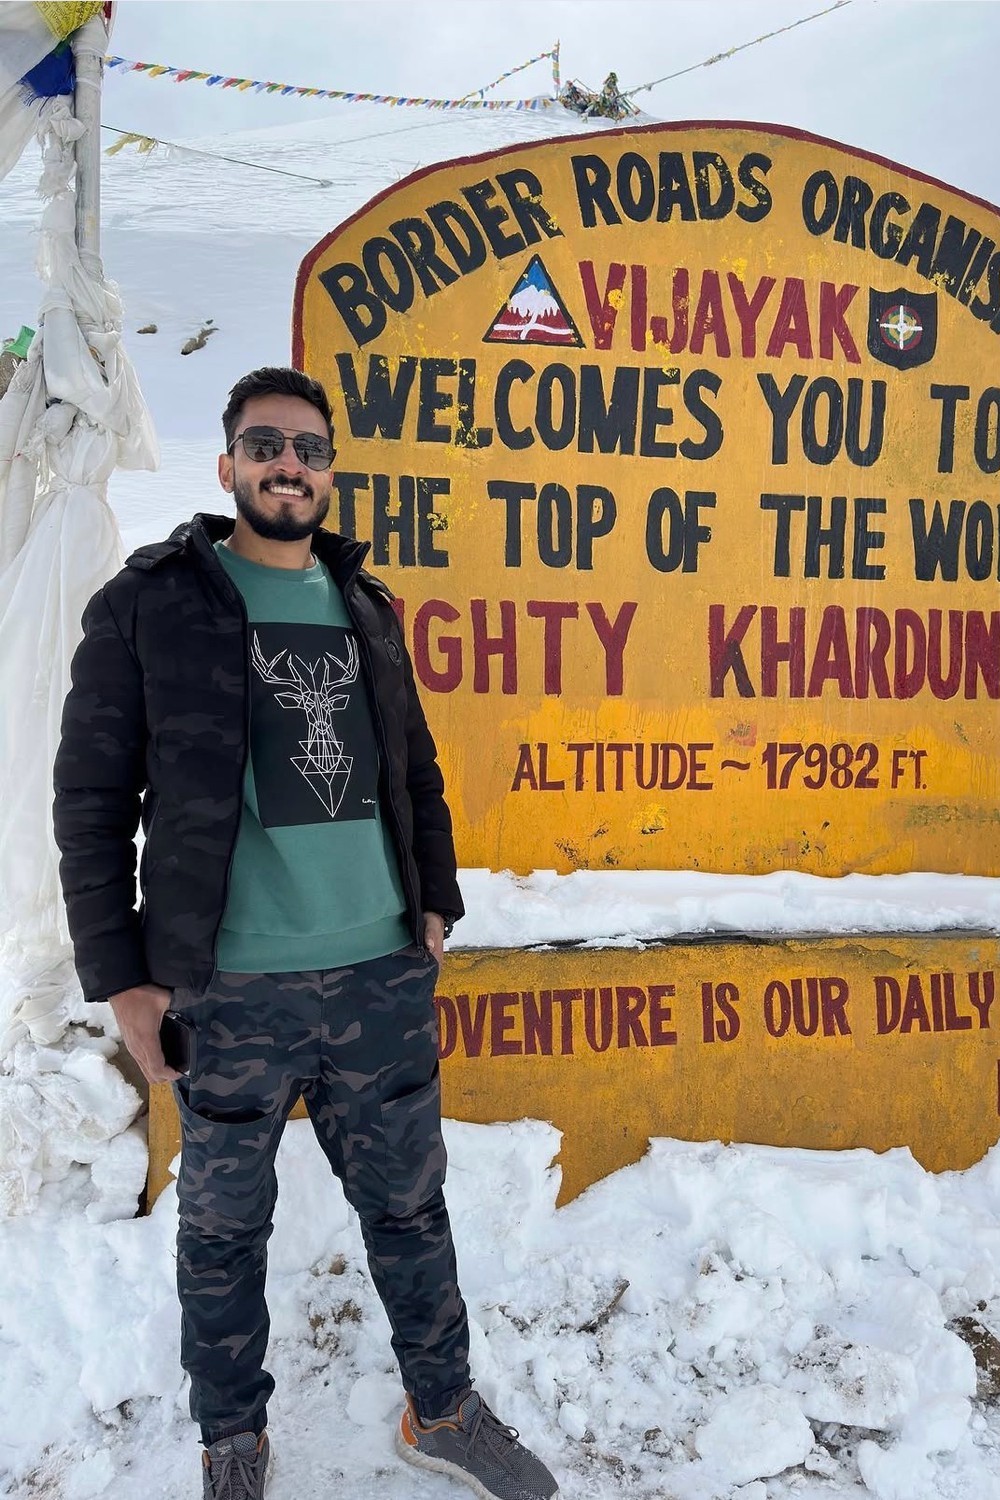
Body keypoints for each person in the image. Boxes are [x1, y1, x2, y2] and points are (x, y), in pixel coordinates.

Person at [53, 367, 559, 1500]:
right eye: (266, 444)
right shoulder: (151, 602)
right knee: (222, 1232)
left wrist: (435, 900)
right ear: (228, 464)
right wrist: (122, 977)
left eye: (310, 449)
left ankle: (443, 1411)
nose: (290, 465)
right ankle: (233, 1440)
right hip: (228, 987)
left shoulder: (365, 604)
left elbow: (414, 768)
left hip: (380, 975)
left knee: (411, 1210)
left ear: (330, 471)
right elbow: (89, 799)